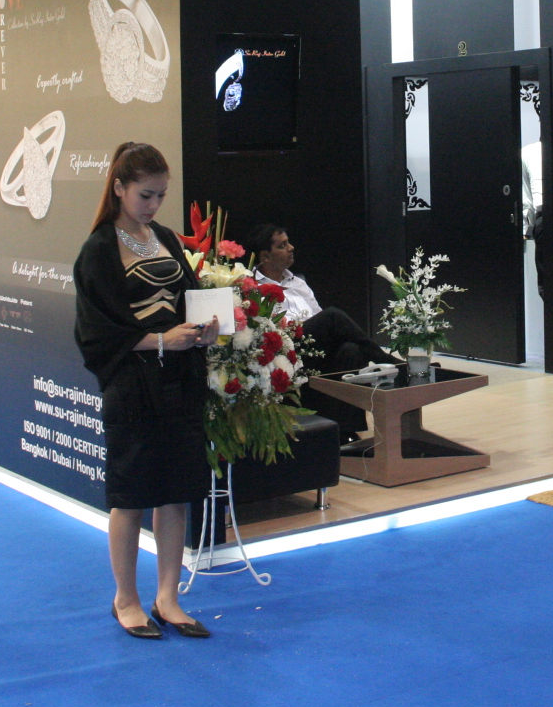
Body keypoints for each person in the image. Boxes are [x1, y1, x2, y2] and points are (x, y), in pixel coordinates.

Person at [74, 142, 217, 641]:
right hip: (133, 387)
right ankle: (126, 598)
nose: (153, 205)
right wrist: (159, 340)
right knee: (132, 494)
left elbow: (188, 299)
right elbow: (96, 332)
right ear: (119, 188)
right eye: (145, 195)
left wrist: (204, 329)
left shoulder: (165, 238)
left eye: (160, 196)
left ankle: (168, 597)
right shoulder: (98, 250)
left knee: (177, 492)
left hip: (179, 382)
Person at [241, 223, 399, 441]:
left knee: (350, 349)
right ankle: (386, 361)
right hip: (282, 353)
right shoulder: (250, 287)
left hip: (312, 349)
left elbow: (318, 319)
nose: (291, 248)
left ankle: (345, 432)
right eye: (282, 246)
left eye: (288, 243)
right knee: (332, 316)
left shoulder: (297, 283)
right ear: (265, 256)